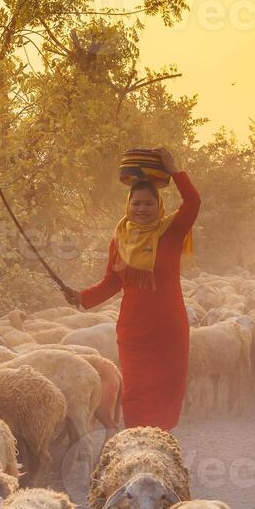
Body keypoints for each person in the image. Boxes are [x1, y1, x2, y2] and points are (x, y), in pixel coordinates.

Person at [65, 147, 200, 431]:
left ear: (158, 205)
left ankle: (159, 442)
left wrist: (174, 169)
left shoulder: (172, 232)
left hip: (169, 328)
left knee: (166, 388)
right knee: (135, 390)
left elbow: (193, 201)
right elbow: (113, 282)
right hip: (134, 329)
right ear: (129, 205)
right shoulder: (120, 239)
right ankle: (137, 442)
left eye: (149, 204)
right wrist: (81, 297)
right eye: (137, 203)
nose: (142, 209)